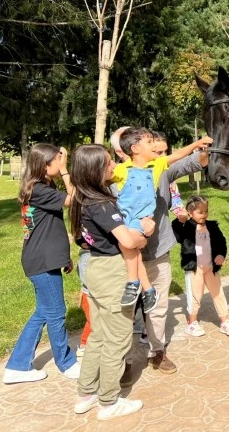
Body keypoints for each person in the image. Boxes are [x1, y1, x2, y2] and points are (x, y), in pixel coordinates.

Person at [111, 126, 210, 375]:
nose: (156, 148)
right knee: (124, 313)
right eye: (150, 144)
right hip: (124, 256)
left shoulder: (158, 169)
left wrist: (203, 152)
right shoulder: (113, 178)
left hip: (158, 251)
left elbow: (188, 163)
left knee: (159, 307)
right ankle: (121, 363)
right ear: (124, 151)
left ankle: (157, 352)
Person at [70, 144, 147, 420]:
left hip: (95, 269)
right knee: (117, 339)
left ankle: (86, 393)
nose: (114, 166)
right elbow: (127, 240)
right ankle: (108, 401)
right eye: (107, 163)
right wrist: (144, 235)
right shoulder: (100, 203)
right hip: (112, 271)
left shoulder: (81, 199)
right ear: (93, 170)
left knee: (99, 335)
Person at [3, 144, 81, 384]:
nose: (60, 164)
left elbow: (48, 227)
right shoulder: (38, 189)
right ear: (46, 164)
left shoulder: (41, 186)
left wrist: (63, 257)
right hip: (42, 261)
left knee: (43, 312)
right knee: (56, 313)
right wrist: (67, 171)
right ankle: (66, 363)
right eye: (57, 160)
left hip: (45, 258)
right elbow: (74, 200)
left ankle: (17, 365)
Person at [172, 195, 229, 337]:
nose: (204, 215)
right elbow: (177, 236)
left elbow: (221, 242)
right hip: (194, 269)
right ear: (190, 213)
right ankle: (192, 323)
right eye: (200, 212)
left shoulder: (212, 226)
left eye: (206, 211)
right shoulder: (186, 227)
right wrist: (179, 221)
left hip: (211, 269)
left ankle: (225, 321)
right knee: (195, 296)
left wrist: (221, 255)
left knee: (218, 293)